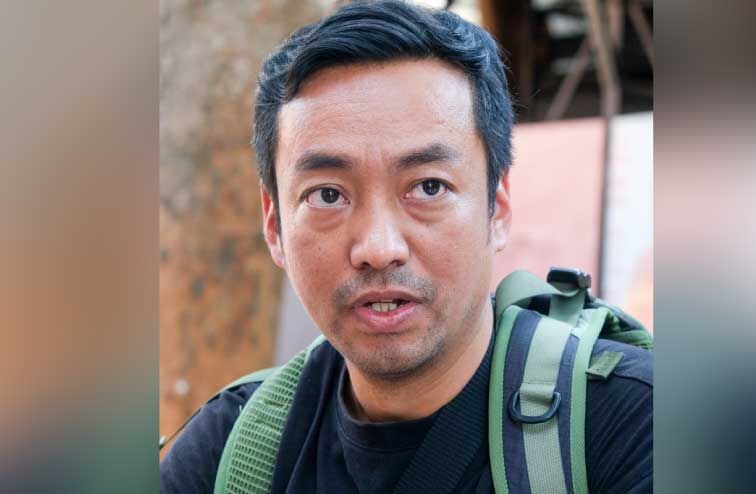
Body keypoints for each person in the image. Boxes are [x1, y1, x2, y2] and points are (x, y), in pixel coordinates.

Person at [160, 1, 652, 492]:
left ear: (497, 208)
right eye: (327, 195)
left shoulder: (634, 425)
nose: (379, 248)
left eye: (429, 187)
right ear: (274, 226)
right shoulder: (232, 450)